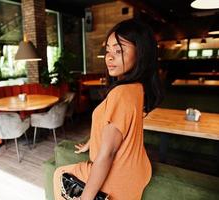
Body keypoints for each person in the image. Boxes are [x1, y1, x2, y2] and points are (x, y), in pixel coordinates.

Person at [53, 18, 163, 200]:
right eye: (108, 50)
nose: (109, 57)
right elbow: (117, 125)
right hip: (136, 171)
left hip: (117, 175)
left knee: (59, 173)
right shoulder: (137, 88)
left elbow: (108, 152)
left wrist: (86, 197)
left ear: (141, 53)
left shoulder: (121, 93)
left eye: (119, 50)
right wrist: (92, 141)